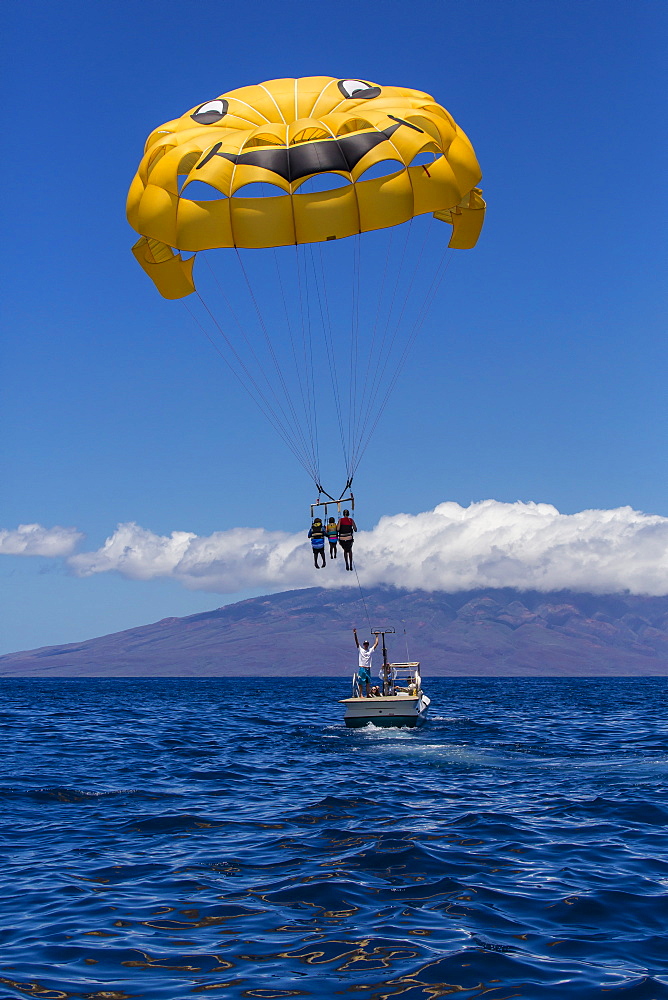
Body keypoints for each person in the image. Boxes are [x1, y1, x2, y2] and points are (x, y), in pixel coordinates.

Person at [353, 627, 379, 697]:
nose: (366, 645)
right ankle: (361, 694)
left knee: (368, 682)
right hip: (362, 668)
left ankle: (368, 694)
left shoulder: (370, 650)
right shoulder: (361, 650)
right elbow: (356, 642)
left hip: (368, 668)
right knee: (361, 682)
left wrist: (377, 636)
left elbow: (376, 644)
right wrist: (355, 634)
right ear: (363, 644)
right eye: (365, 644)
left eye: (367, 644)